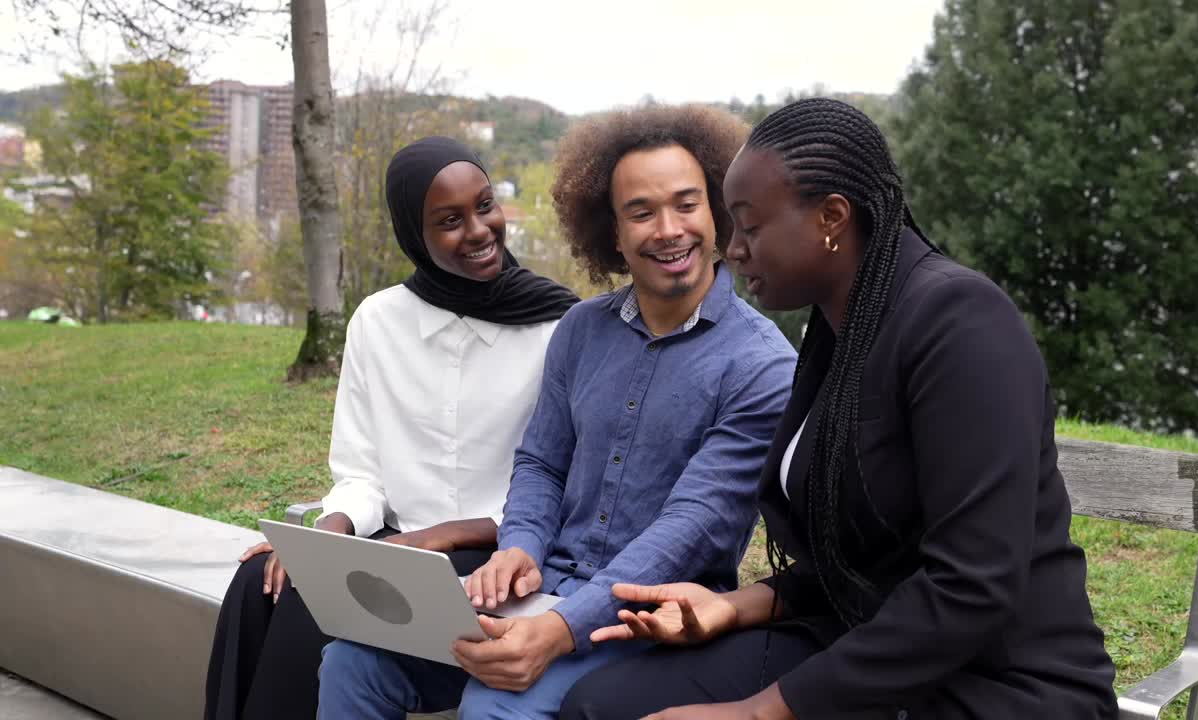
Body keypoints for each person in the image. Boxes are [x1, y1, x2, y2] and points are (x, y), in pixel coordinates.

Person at [561, 97, 1121, 720]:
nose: (734, 248)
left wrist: (757, 714)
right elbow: (865, 559)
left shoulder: (961, 323)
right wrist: (735, 606)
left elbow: (973, 586)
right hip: (859, 637)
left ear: (831, 217)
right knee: (601, 706)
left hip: (996, 681)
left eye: (749, 224)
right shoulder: (836, 332)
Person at [317, 104, 798, 720]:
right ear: (612, 231)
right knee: (354, 664)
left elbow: (690, 529)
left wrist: (557, 628)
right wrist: (518, 548)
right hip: (540, 587)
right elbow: (541, 462)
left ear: (718, 211)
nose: (669, 229)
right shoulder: (580, 329)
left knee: (496, 705)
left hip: (645, 614)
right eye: (641, 212)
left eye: (686, 204)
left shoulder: (761, 366)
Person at [203, 136, 578, 720]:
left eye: (484, 205)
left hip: (504, 555)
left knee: (318, 619)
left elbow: (567, 482)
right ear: (414, 235)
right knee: (263, 583)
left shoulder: (559, 326)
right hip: (395, 546)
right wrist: (327, 534)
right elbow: (361, 473)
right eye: (448, 221)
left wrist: (447, 534)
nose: (478, 230)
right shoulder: (377, 322)